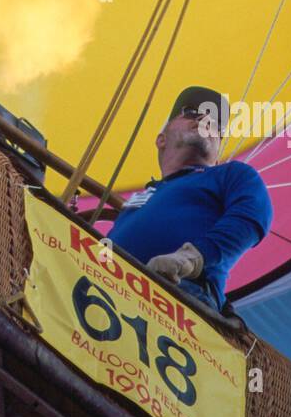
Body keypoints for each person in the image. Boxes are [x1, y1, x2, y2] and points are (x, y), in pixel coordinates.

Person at [108, 86, 272, 314]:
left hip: (181, 294)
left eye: (215, 124)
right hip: (109, 290)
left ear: (217, 156)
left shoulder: (232, 174)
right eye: (192, 113)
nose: (205, 119)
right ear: (161, 139)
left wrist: (192, 258)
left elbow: (252, 216)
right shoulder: (141, 198)